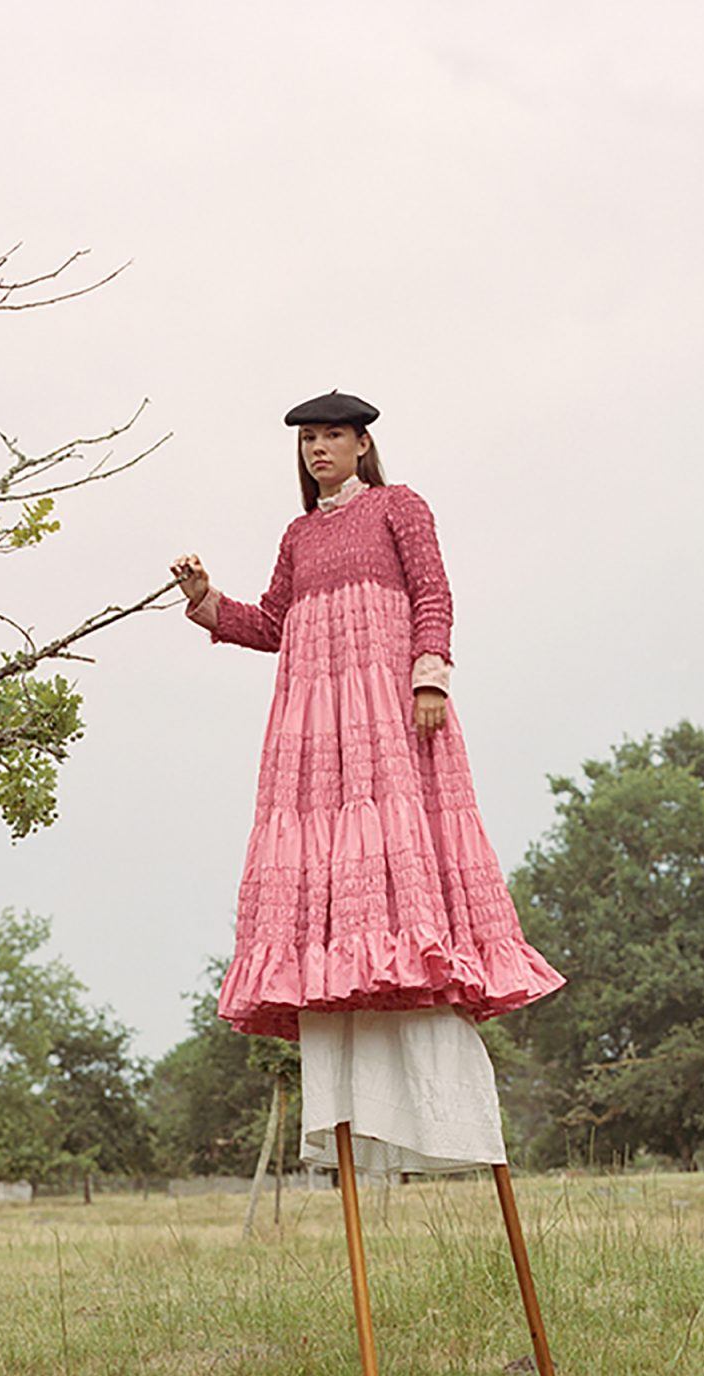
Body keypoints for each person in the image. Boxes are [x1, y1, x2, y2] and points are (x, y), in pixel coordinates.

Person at [172, 390, 565, 1176]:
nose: (319, 450)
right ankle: (351, 969)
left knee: (398, 826)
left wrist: (430, 679)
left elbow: (434, 594)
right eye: (309, 439)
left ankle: (415, 954)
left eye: (333, 437)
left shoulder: (400, 507)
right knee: (329, 843)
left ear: (362, 443)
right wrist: (204, 603)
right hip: (315, 725)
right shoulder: (298, 534)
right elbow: (273, 625)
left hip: (387, 706)